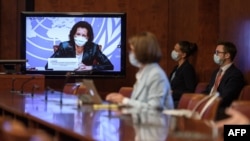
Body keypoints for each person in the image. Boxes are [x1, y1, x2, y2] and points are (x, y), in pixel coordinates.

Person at [106, 31, 174, 110]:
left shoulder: (156, 74)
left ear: (142, 52)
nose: (130, 53)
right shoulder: (143, 73)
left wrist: (124, 100)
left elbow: (154, 108)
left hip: (156, 121)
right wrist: (120, 101)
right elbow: (139, 103)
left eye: (132, 50)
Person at [45, 21, 114, 71]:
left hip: (86, 80)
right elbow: (48, 66)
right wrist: (69, 66)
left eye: (83, 35)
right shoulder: (64, 46)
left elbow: (109, 66)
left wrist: (90, 67)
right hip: (67, 79)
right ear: (73, 35)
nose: (80, 37)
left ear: (88, 38)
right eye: (78, 34)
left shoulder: (94, 48)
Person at [203, 41, 245, 120]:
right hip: (209, 105)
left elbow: (226, 97)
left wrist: (208, 103)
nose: (215, 55)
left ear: (227, 55)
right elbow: (209, 90)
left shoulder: (235, 74)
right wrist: (198, 99)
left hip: (221, 108)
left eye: (217, 52)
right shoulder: (216, 72)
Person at [169, 41, 198, 108]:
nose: (173, 52)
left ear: (184, 54)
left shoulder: (188, 68)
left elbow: (190, 91)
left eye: (176, 50)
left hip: (179, 101)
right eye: (174, 49)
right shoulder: (176, 68)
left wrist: (173, 93)